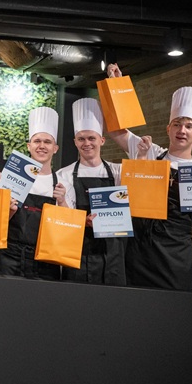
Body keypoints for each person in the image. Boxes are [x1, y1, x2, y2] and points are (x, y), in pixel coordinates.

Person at [105, 64, 192, 291]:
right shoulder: (149, 151)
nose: (182, 130)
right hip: (138, 254)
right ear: (168, 129)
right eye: (177, 124)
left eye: (189, 126)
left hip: (175, 261)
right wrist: (118, 88)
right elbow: (116, 131)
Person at [0, 106, 74, 280]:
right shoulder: (10, 178)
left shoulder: (64, 185)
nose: (42, 146)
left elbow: (68, 230)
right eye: (37, 141)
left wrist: (62, 201)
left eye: (47, 142)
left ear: (55, 148)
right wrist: (7, 209)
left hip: (46, 260)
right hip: (10, 257)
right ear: (29, 146)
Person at [56, 97, 125, 285]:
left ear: (102, 140)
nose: (87, 143)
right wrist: (83, 221)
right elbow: (62, 216)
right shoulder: (63, 174)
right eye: (81, 139)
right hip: (77, 252)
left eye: (91, 138)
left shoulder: (118, 172)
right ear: (75, 142)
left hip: (112, 254)